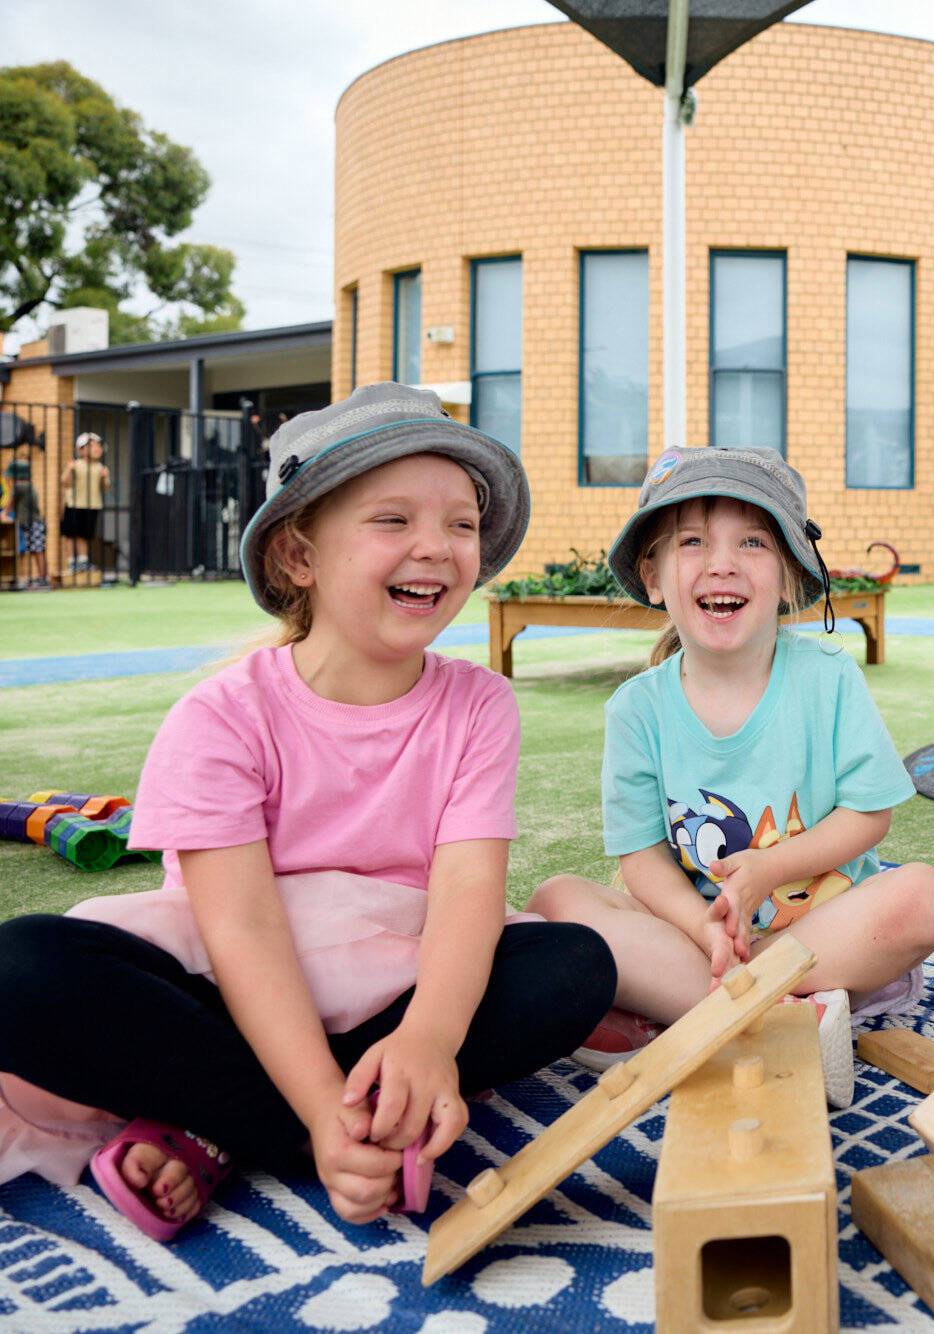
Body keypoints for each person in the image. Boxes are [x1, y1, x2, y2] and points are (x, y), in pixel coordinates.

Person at [0, 383, 615, 1239]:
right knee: (22, 966)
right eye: (392, 520)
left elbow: (470, 886)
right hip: (230, 984)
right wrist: (323, 1110)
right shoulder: (222, 716)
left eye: (460, 525)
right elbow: (242, 931)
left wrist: (431, 1042)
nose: (434, 549)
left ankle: (219, 1124)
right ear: (299, 557)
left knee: (574, 965)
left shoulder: (479, 705)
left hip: (391, 985)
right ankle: (326, 1131)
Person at [530, 447, 934, 1108]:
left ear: (786, 578)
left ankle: (703, 1010)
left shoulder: (827, 678)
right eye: (692, 541)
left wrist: (770, 867)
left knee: (923, 896)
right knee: (555, 902)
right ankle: (777, 1017)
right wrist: (701, 929)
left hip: (819, 934)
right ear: (653, 577)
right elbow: (642, 860)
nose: (720, 562)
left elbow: (869, 815)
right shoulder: (636, 710)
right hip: (694, 938)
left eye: (751, 542)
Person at [59, 431, 111, 579]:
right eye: (92, 446)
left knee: (84, 535)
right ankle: (71, 562)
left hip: (92, 505)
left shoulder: (101, 467)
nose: (96, 449)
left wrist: (105, 477)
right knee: (70, 535)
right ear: (81, 449)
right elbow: (64, 482)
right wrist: (69, 469)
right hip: (73, 504)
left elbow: (106, 487)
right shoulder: (75, 464)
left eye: (97, 446)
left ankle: (83, 561)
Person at [6, 456, 47, 588]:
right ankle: (41, 577)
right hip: (34, 523)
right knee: (37, 550)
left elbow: (9, 505)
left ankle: (41, 578)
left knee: (37, 550)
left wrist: (4, 514)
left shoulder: (19, 486)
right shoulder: (29, 486)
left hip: (32, 523)